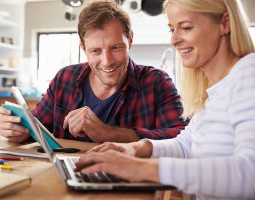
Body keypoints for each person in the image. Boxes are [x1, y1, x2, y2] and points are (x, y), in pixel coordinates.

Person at [75, 0, 255, 199]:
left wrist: (141, 168)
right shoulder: (216, 89)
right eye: (172, 29)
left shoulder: (249, 74)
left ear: (225, 23)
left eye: (185, 27)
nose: (174, 40)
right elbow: (186, 146)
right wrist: (134, 149)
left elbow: (251, 171)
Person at [0, 0, 187, 144]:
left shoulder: (156, 82)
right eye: (95, 51)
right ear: (83, 48)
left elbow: (183, 138)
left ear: (130, 40)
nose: (107, 61)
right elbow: (38, 131)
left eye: (116, 48)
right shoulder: (65, 78)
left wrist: (110, 134)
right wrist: (19, 132)